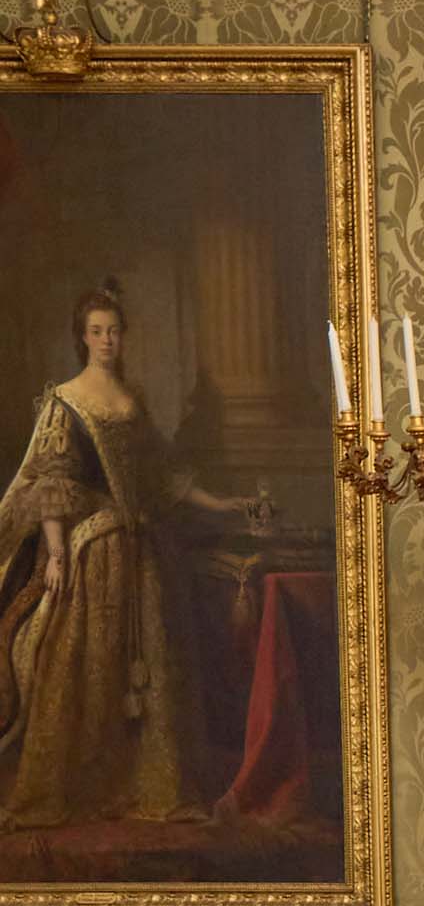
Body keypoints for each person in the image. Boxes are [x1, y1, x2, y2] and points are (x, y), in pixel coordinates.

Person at [0, 279, 263, 827]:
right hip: (92, 553)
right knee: (88, 668)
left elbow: (163, 476)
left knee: (150, 671)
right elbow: (54, 481)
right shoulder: (65, 400)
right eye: (96, 332)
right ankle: (84, 788)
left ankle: (151, 789)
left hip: (142, 553)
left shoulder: (132, 401)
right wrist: (54, 553)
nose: (106, 341)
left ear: (124, 337)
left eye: (114, 331)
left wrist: (222, 503)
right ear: (82, 337)